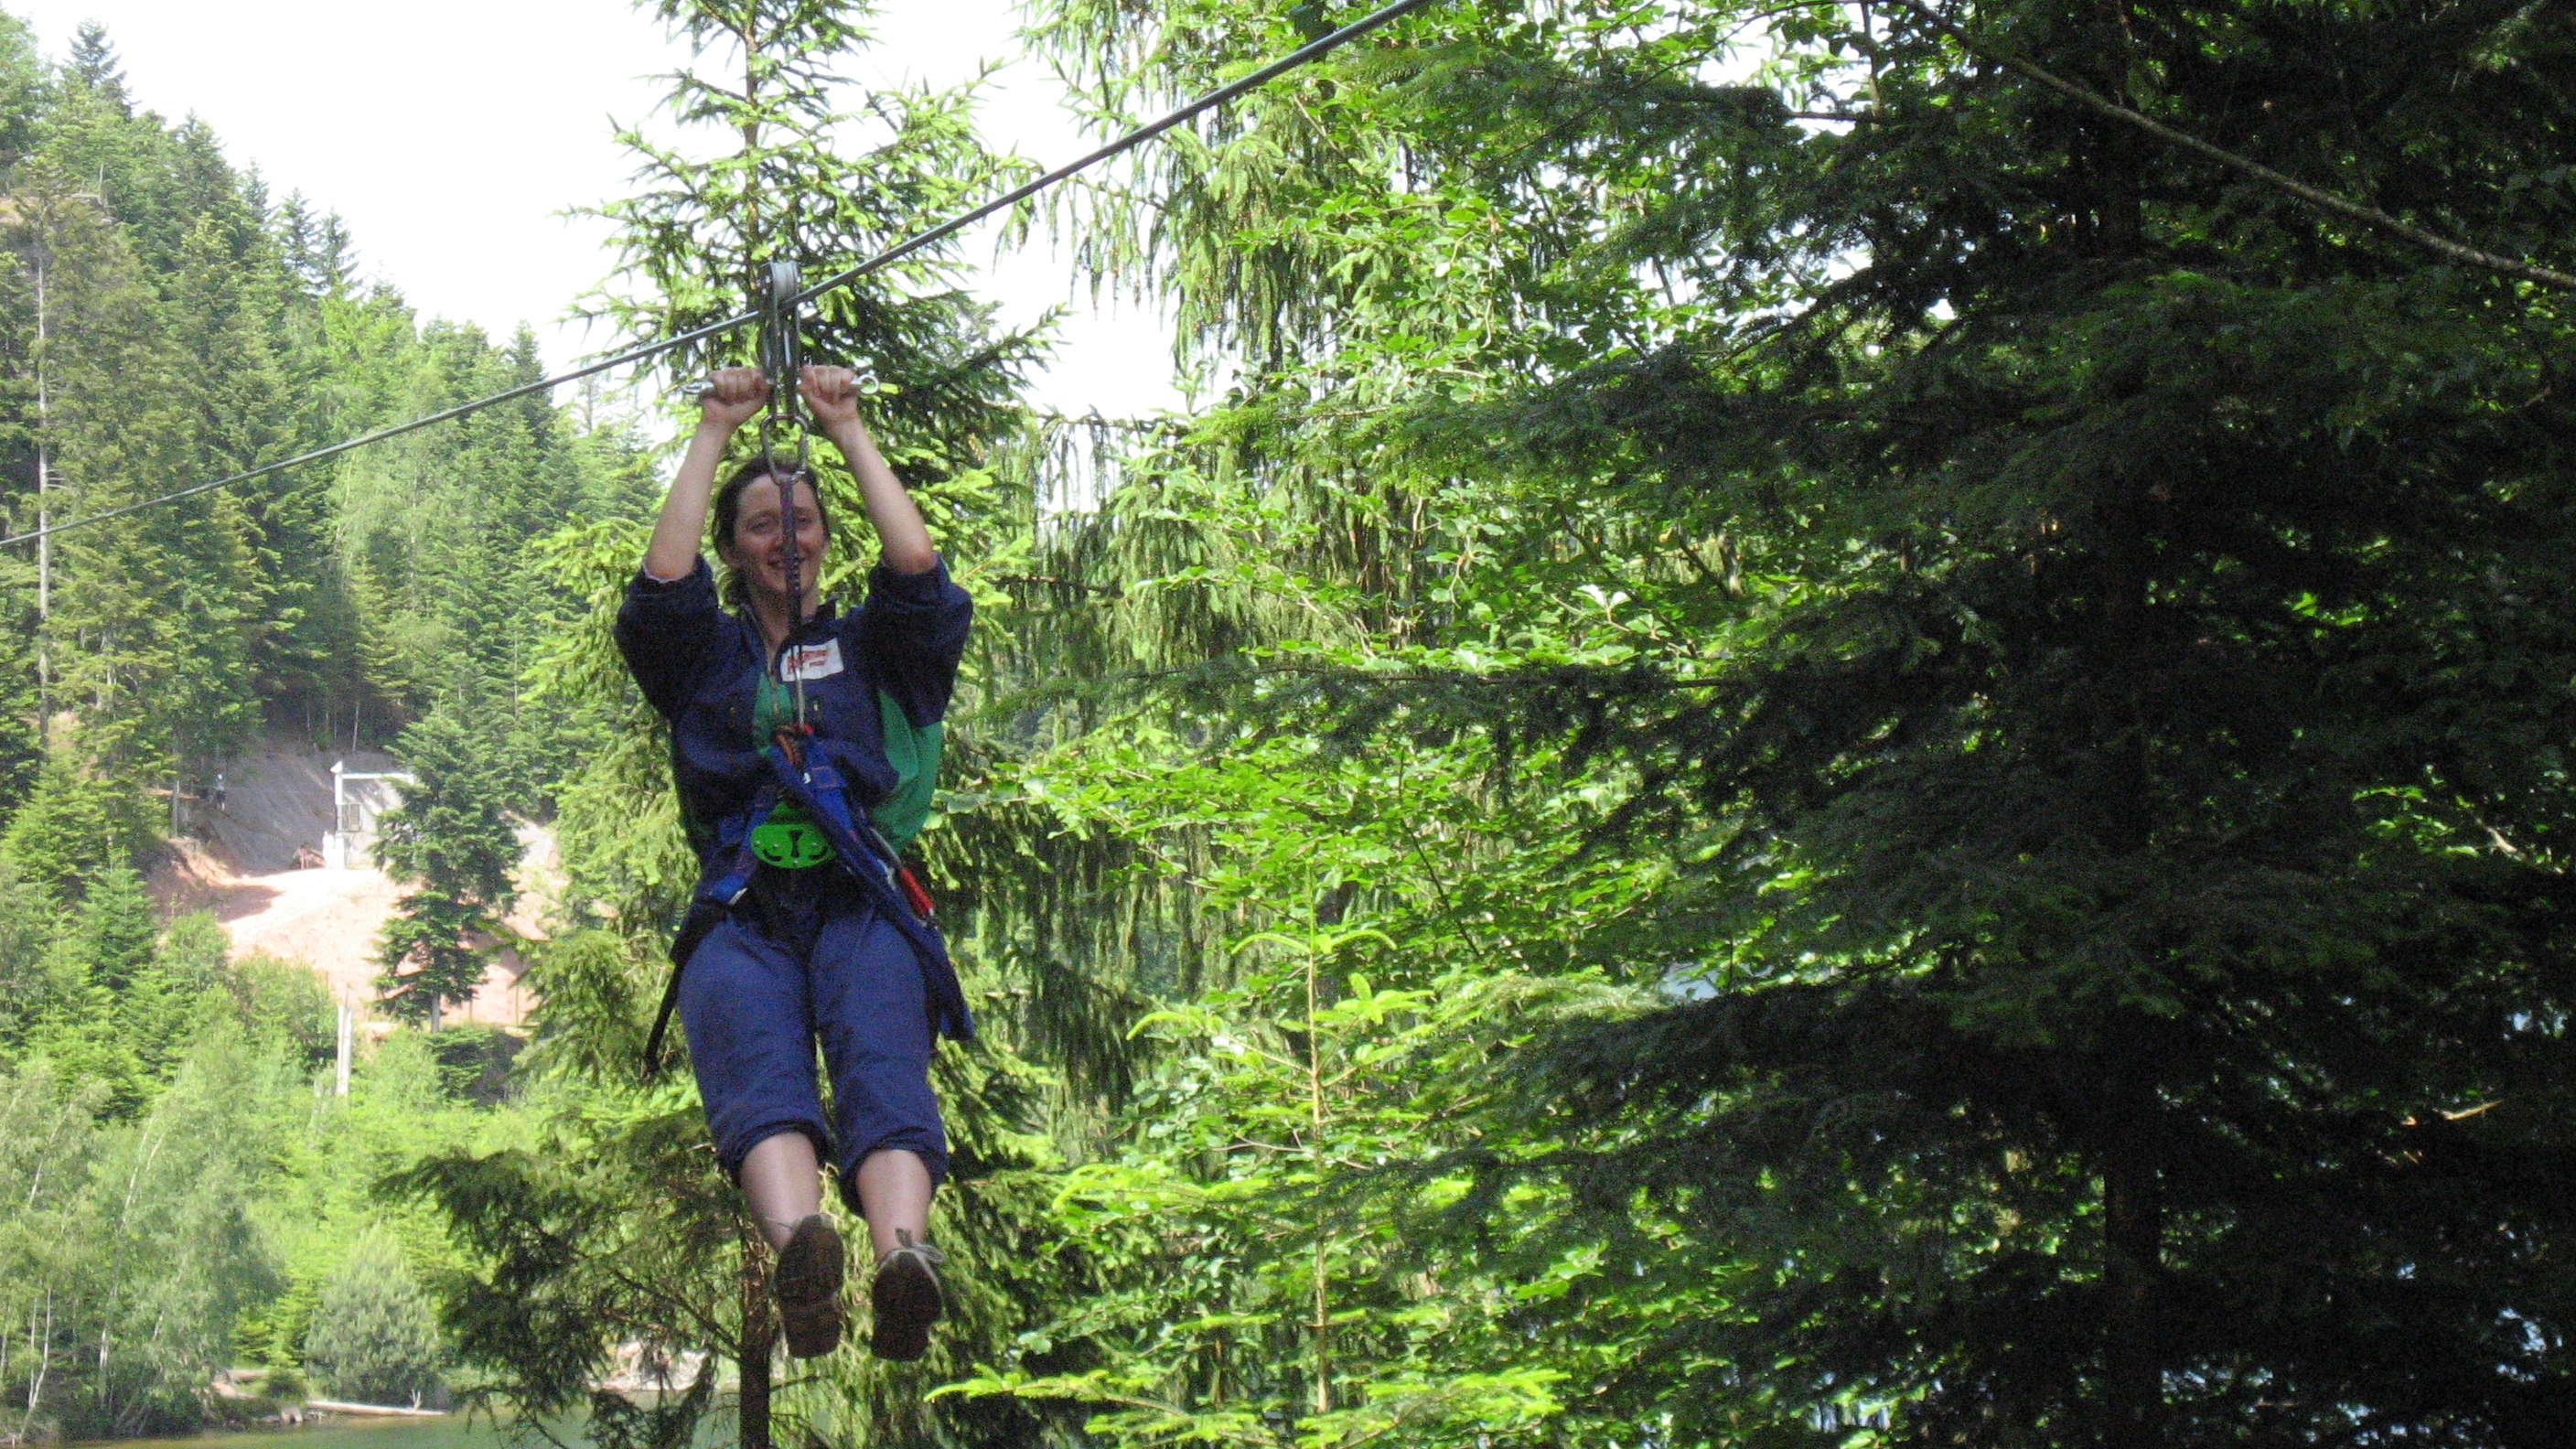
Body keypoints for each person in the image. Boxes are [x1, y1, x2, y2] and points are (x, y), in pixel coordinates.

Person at [615, 363, 971, 1362]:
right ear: (734, 549)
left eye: (803, 523)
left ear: (824, 537)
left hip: (861, 898)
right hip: (744, 905)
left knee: (882, 1056)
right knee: (753, 1058)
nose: (787, 540)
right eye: (763, 526)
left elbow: (917, 571)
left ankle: (902, 1258)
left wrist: (847, 429)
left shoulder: (875, 649)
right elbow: (661, 589)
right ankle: (804, 1257)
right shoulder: (706, 658)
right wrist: (713, 433)